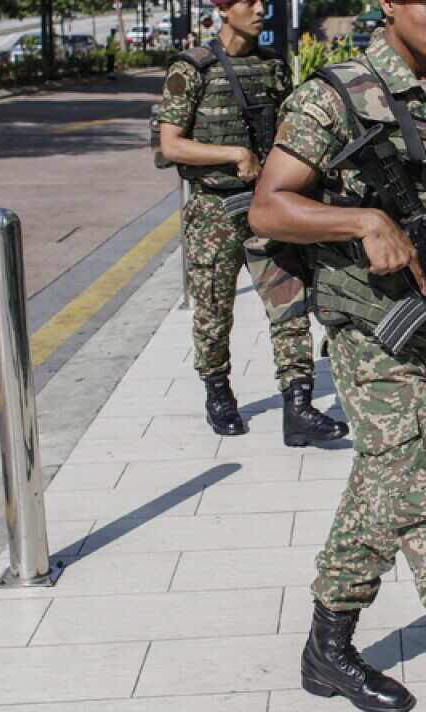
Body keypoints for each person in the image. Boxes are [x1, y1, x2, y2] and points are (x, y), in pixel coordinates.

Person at [247, 2, 426, 712]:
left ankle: (328, 646)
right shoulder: (334, 96)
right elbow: (268, 207)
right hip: (373, 332)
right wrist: (361, 219)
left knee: (391, 488)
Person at [157, 0, 349, 446]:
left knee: (290, 303)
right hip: (214, 212)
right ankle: (218, 391)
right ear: (223, 8)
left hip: (265, 206)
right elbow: (171, 146)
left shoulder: (272, 69)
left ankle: (298, 404)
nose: (260, 9)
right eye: (248, 2)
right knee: (213, 310)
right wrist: (233, 154)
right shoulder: (192, 69)